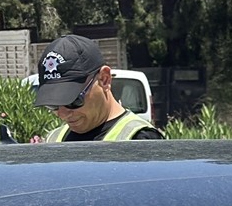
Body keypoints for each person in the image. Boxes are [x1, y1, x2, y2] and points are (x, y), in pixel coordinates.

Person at [34, 34, 164, 141]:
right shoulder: (53, 140)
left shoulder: (140, 140)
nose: (62, 114)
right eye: (53, 105)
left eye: (73, 101)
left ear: (104, 79)